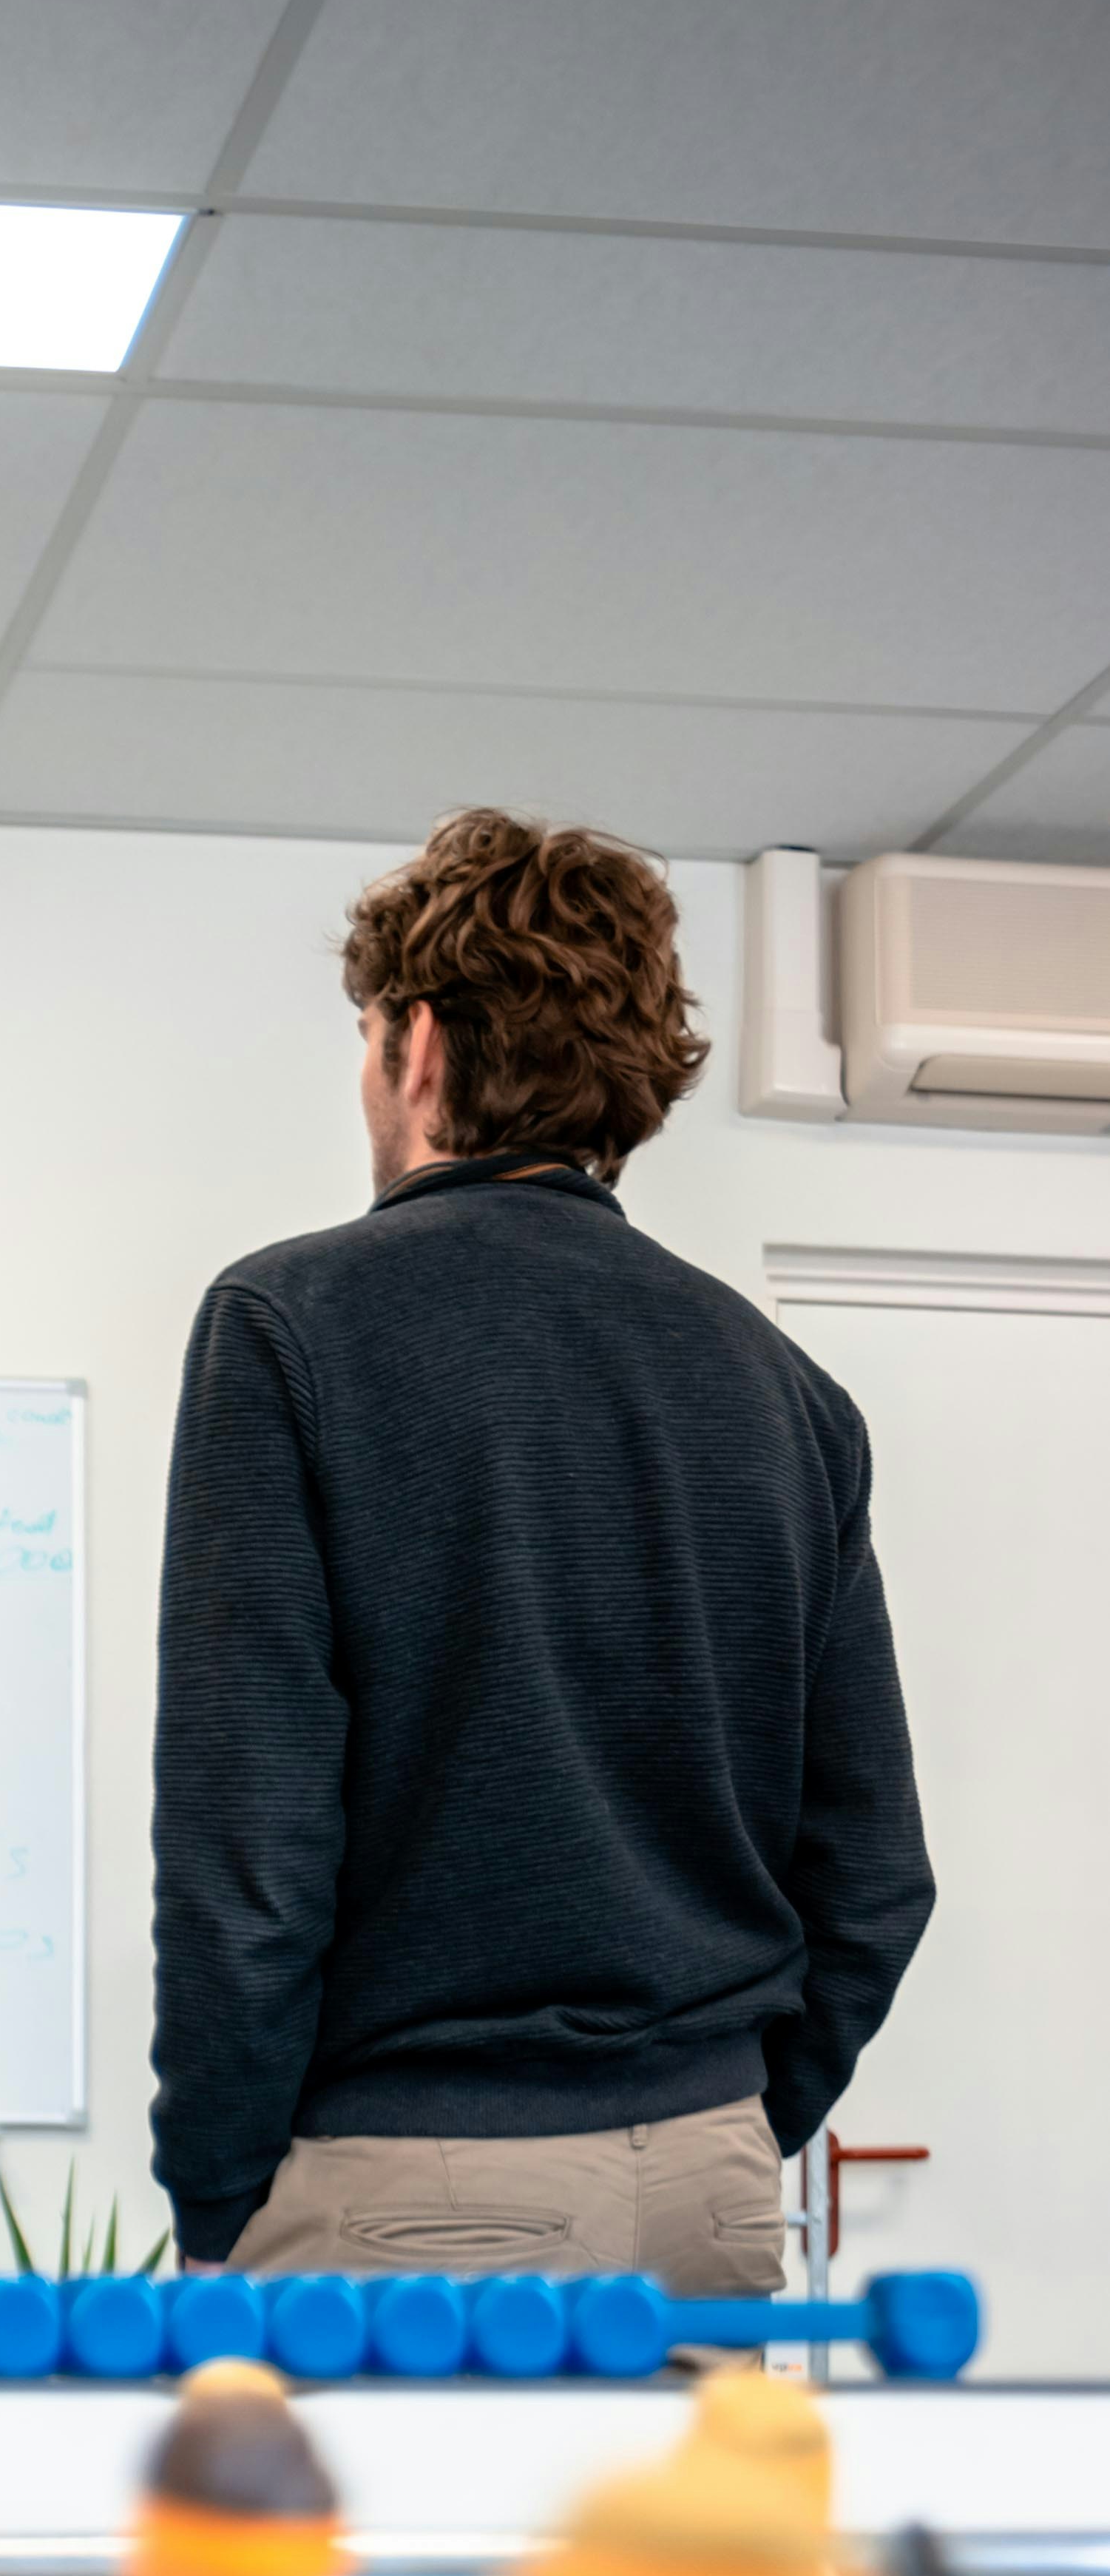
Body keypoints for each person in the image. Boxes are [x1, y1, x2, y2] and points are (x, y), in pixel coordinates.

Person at [151, 807, 935, 2295]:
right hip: (708, 2188)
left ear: (417, 1045)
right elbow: (876, 1871)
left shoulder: (287, 1328)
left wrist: (216, 2194)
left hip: (404, 2184)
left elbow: (247, 1847)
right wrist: (735, 2119)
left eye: (368, 1034)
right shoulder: (785, 1391)